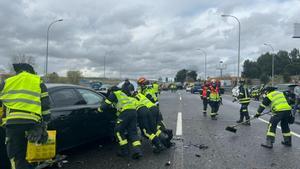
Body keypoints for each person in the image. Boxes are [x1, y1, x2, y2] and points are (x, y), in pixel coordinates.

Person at [0, 63, 50, 169]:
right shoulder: (38, 81)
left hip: (12, 124)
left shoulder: (7, 82)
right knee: (33, 151)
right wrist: (45, 122)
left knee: (16, 155)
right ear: (30, 71)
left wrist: (3, 121)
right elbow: (45, 104)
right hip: (33, 122)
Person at [98, 86, 143, 159]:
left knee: (118, 131)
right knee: (133, 132)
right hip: (133, 112)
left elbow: (105, 105)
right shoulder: (123, 94)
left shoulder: (114, 93)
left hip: (125, 113)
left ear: (112, 91)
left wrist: (99, 110)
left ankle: (124, 151)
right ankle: (138, 151)